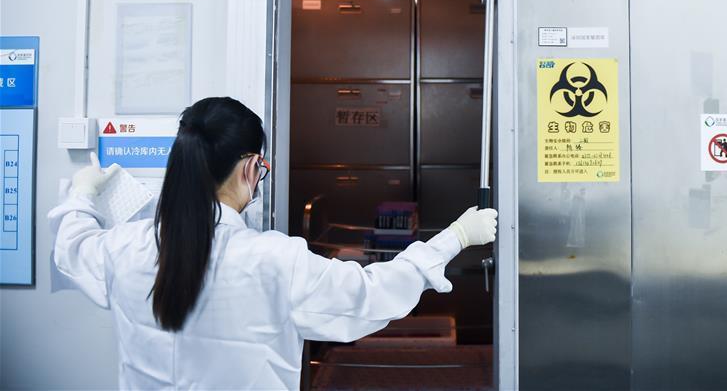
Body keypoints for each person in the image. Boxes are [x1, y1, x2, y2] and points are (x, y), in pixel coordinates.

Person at [49, 97, 497, 389]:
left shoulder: (123, 248)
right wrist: (454, 237)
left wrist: (82, 194)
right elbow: (370, 295)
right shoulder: (272, 260)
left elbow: (71, 248)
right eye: (262, 166)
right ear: (250, 168)